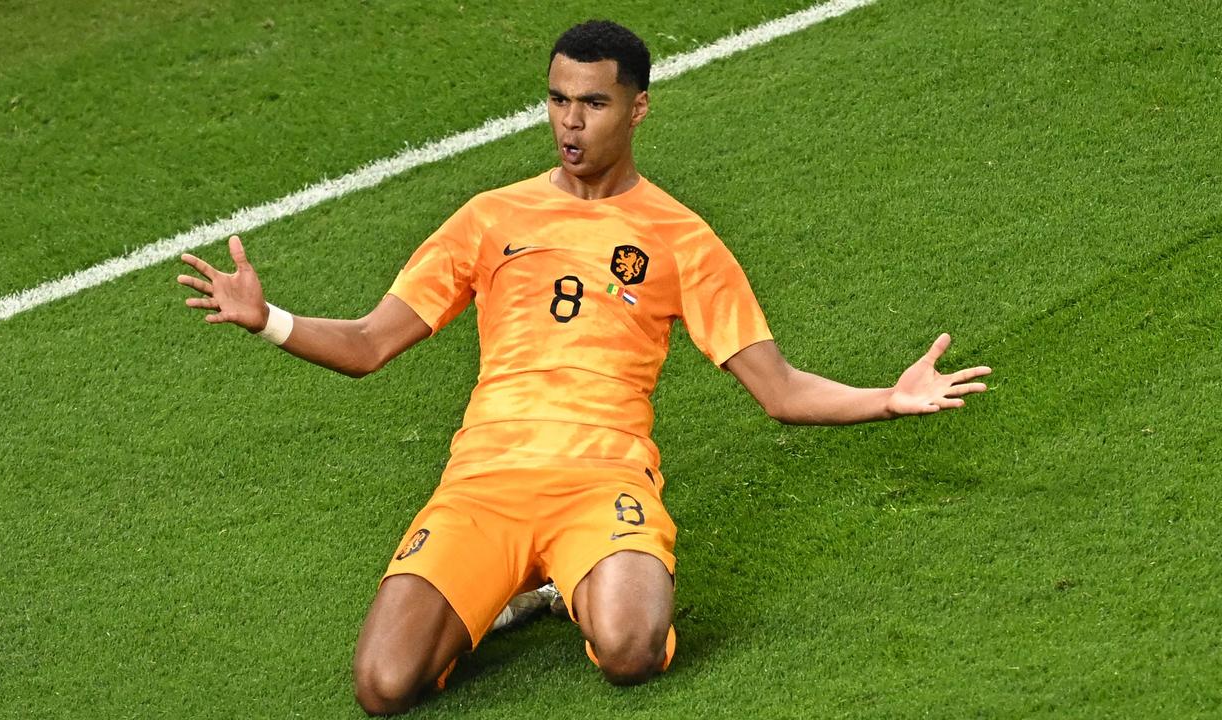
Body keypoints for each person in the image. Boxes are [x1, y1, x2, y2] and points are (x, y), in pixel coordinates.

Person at [178, 19, 992, 716]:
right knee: (383, 688)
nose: (571, 123)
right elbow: (367, 345)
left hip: (604, 485)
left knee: (633, 652)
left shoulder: (681, 238)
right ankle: (517, 589)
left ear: (637, 108)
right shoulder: (489, 217)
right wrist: (269, 320)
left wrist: (888, 397)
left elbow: (778, 389)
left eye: (594, 103)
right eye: (558, 100)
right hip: (483, 484)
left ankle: (572, 586)